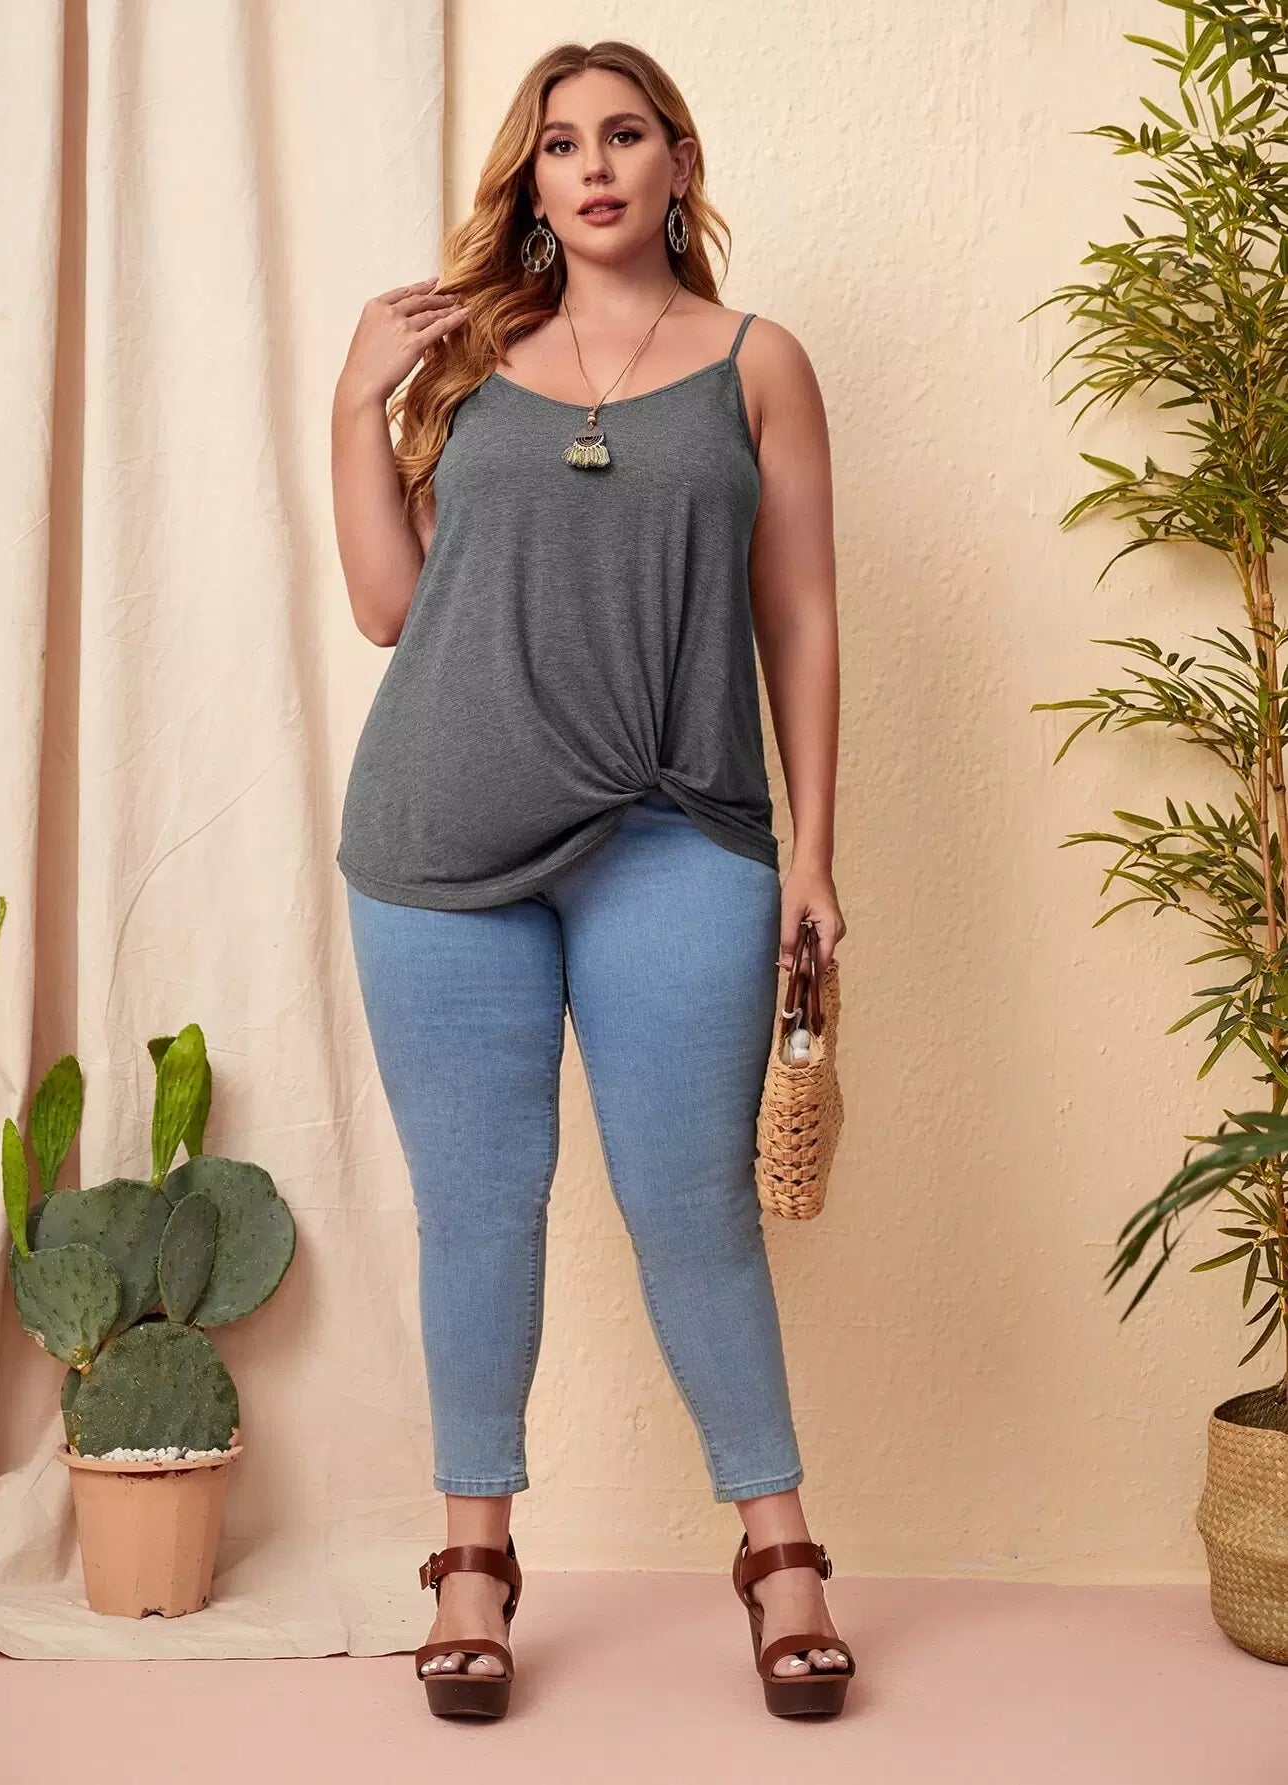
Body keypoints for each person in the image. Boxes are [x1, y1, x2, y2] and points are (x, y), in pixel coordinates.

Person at [330, 38, 852, 1720]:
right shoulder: (468, 358)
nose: (597, 165)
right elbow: (390, 607)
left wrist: (813, 853)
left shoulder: (758, 364)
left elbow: (800, 614)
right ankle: (471, 1562)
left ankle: (782, 1557)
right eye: (562, 144)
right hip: (438, 840)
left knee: (692, 1204)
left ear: (678, 163)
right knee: (479, 1211)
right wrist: (353, 404)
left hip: (676, 833)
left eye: (627, 135)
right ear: (534, 181)